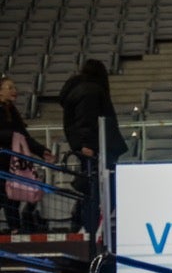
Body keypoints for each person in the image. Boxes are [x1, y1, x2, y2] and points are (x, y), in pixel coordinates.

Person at [59, 58, 125, 239]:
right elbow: (86, 121)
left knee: (93, 188)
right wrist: (87, 145)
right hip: (97, 148)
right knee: (97, 189)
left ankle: (86, 225)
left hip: (94, 147)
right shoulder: (90, 91)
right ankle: (88, 227)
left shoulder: (81, 90)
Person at [0, 75, 50, 233]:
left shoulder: (11, 110)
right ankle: (15, 228)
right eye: (10, 88)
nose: (15, 91)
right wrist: (12, 135)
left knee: (9, 195)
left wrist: (42, 151)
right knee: (7, 195)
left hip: (11, 161)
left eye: (14, 87)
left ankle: (15, 228)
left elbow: (24, 136)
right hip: (3, 161)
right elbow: (14, 134)